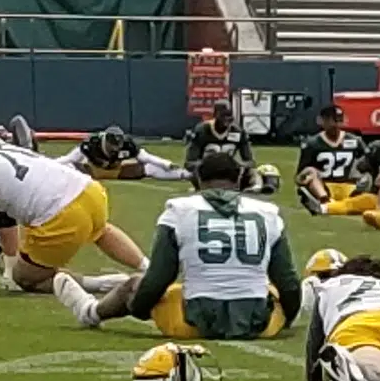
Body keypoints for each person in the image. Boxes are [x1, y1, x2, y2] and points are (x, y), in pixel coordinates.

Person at [52, 146, 301, 339]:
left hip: (192, 322)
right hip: (260, 324)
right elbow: (288, 282)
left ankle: (90, 312)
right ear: (238, 180)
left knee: (135, 283)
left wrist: (138, 308)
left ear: (198, 180)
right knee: (272, 288)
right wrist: (285, 320)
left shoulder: (179, 210)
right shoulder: (268, 213)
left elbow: (159, 278)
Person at [0, 132, 146, 291]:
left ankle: (101, 284)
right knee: (101, 231)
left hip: (61, 214)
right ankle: (147, 268)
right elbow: (4, 213)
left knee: (25, 277)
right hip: (89, 190)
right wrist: (8, 264)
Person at [296, 103, 380, 218]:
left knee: (369, 177)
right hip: (325, 186)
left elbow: (370, 164)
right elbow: (300, 175)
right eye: (333, 120)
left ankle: (329, 207)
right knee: (310, 171)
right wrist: (310, 175)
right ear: (322, 121)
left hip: (350, 187)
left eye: (339, 120)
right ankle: (325, 200)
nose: (336, 124)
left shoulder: (354, 140)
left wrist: (361, 172)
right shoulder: (312, 143)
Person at [59, 126, 186, 182]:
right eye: (113, 145)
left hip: (117, 171)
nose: (115, 148)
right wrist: (48, 164)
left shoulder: (127, 144)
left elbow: (145, 157)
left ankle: (185, 175)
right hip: (92, 171)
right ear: (106, 141)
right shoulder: (92, 143)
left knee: (149, 168)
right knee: (68, 167)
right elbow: (69, 158)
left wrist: (166, 164)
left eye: (118, 145)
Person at [183, 100, 254, 179]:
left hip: (229, 174)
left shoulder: (238, 131)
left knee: (258, 171)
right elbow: (189, 163)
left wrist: (236, 164)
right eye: (223, 115)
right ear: (215, 115)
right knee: (193, 174)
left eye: (229, 115)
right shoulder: (202, 130)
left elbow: (250, 162)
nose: (226, 119)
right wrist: (210, 164)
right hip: (207, 174)